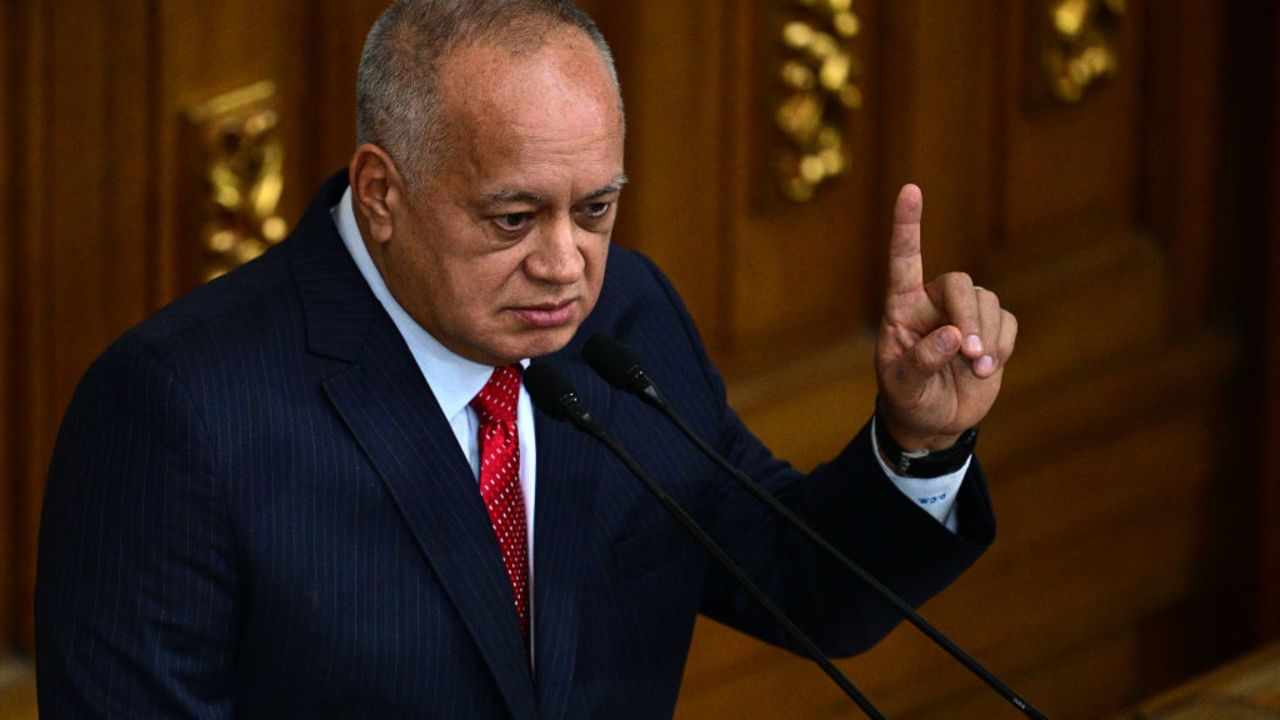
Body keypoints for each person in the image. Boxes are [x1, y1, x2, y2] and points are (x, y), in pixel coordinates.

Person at [34, 1, 1016, 717]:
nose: (563, 264)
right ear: (381, 192)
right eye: (512, 217)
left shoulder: (625, 319)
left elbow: (802, 589)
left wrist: (919, 439)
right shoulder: (178, 414)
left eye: (594, 209)